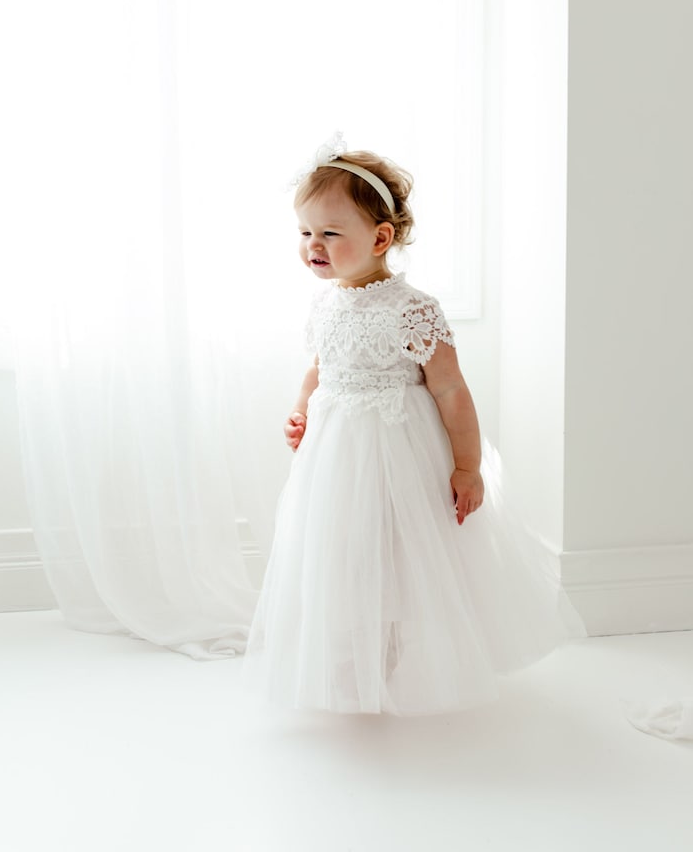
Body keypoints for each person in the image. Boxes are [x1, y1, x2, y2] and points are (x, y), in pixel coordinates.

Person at [243, 137, 584, 716]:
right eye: (304, 233)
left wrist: (468, 466)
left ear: (379, 238)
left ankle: (401, 653)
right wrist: (302, 413)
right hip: (337, 454)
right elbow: (319, 369)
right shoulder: (325, 304)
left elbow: (450, 388)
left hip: (399, 449)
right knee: (344, 549)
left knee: (401, 550)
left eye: (329, 233)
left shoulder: (411, 307)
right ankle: (357, 654)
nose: (312, 246)